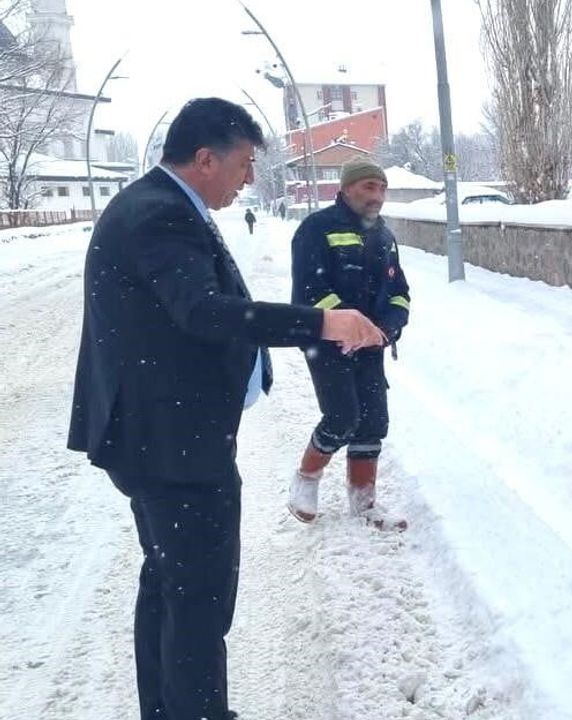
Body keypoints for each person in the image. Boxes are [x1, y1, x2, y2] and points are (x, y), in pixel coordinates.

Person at [66, 97, 386, 720]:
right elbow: (204, 311)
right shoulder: (159, 214)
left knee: (169, 585)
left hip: (160, 436)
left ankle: (169, 710)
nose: (249, 178)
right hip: (173, 446)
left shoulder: (159, 204)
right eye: (243, 164)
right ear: (206, 158)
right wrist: (325, 322)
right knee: (198, 601)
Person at [288, 158, 411, 530]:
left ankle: (364, 502)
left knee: (373, 421)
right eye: (368, 187)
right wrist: (350, 325)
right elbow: (309, 290)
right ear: (345, 189)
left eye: (382, 188)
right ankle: (306, 478)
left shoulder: (385, 237)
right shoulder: (317, 228)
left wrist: (387, 328)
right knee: (342, 417)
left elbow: (399, 292)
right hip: (327, 343)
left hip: (371, 345)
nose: (377, 196)